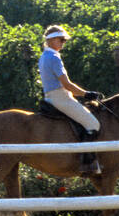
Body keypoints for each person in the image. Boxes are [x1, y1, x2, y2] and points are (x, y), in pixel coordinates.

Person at [38, 24, 104, 174]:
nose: (63, 43)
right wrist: (86, 94)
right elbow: (67, 84)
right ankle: (88, 163)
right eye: (61, 40)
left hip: (51, 97)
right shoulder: (54, 58)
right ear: (52, 39)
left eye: (64, 41)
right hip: (60, 97)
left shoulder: (44, 56)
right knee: (93, 124)